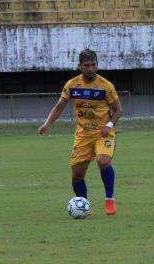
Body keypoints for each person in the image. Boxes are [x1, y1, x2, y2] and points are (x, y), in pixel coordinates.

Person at [38, 49, 122, 216]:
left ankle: (109, 199)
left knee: (103, 161)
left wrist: (109, 124)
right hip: (83, 135)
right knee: (77, 175)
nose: (91, 68)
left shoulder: (106, 86)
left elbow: (118, 110)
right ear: (79, 66)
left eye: (93, 65)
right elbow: (59, 106)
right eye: (87, 65)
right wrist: (48, 123)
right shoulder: (72, 85)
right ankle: (85, 206)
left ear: (97, 65)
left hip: (103, 133)